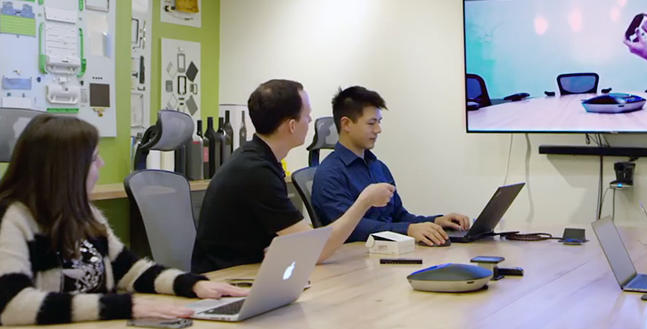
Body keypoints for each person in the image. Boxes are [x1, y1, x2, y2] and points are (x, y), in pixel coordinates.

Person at [0, 114, 247, 325]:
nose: (102, 163)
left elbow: (130, 270)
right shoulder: (13, 218)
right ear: (68, 169)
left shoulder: (85, 214)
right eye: (94, 159)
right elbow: (13, 304)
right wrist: (123, 306)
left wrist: (191, 284)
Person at [192, 80, 395, 273]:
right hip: (227, 279)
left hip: (253, 271)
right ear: (291, 125)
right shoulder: (256, 172)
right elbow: (315, 248)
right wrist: (365, 201)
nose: (310, 122)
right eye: (307, 116)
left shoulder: (259, 161)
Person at [312, 86, 470, 246]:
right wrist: (408, 230)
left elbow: (399, 216)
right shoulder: (329, 174)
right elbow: (351, 229)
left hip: (387, 253)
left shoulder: (378, 167)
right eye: (371, 123)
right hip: (356, 258)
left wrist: (437, 221)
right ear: (346, 124)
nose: (378, 130)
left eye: (379, 122)